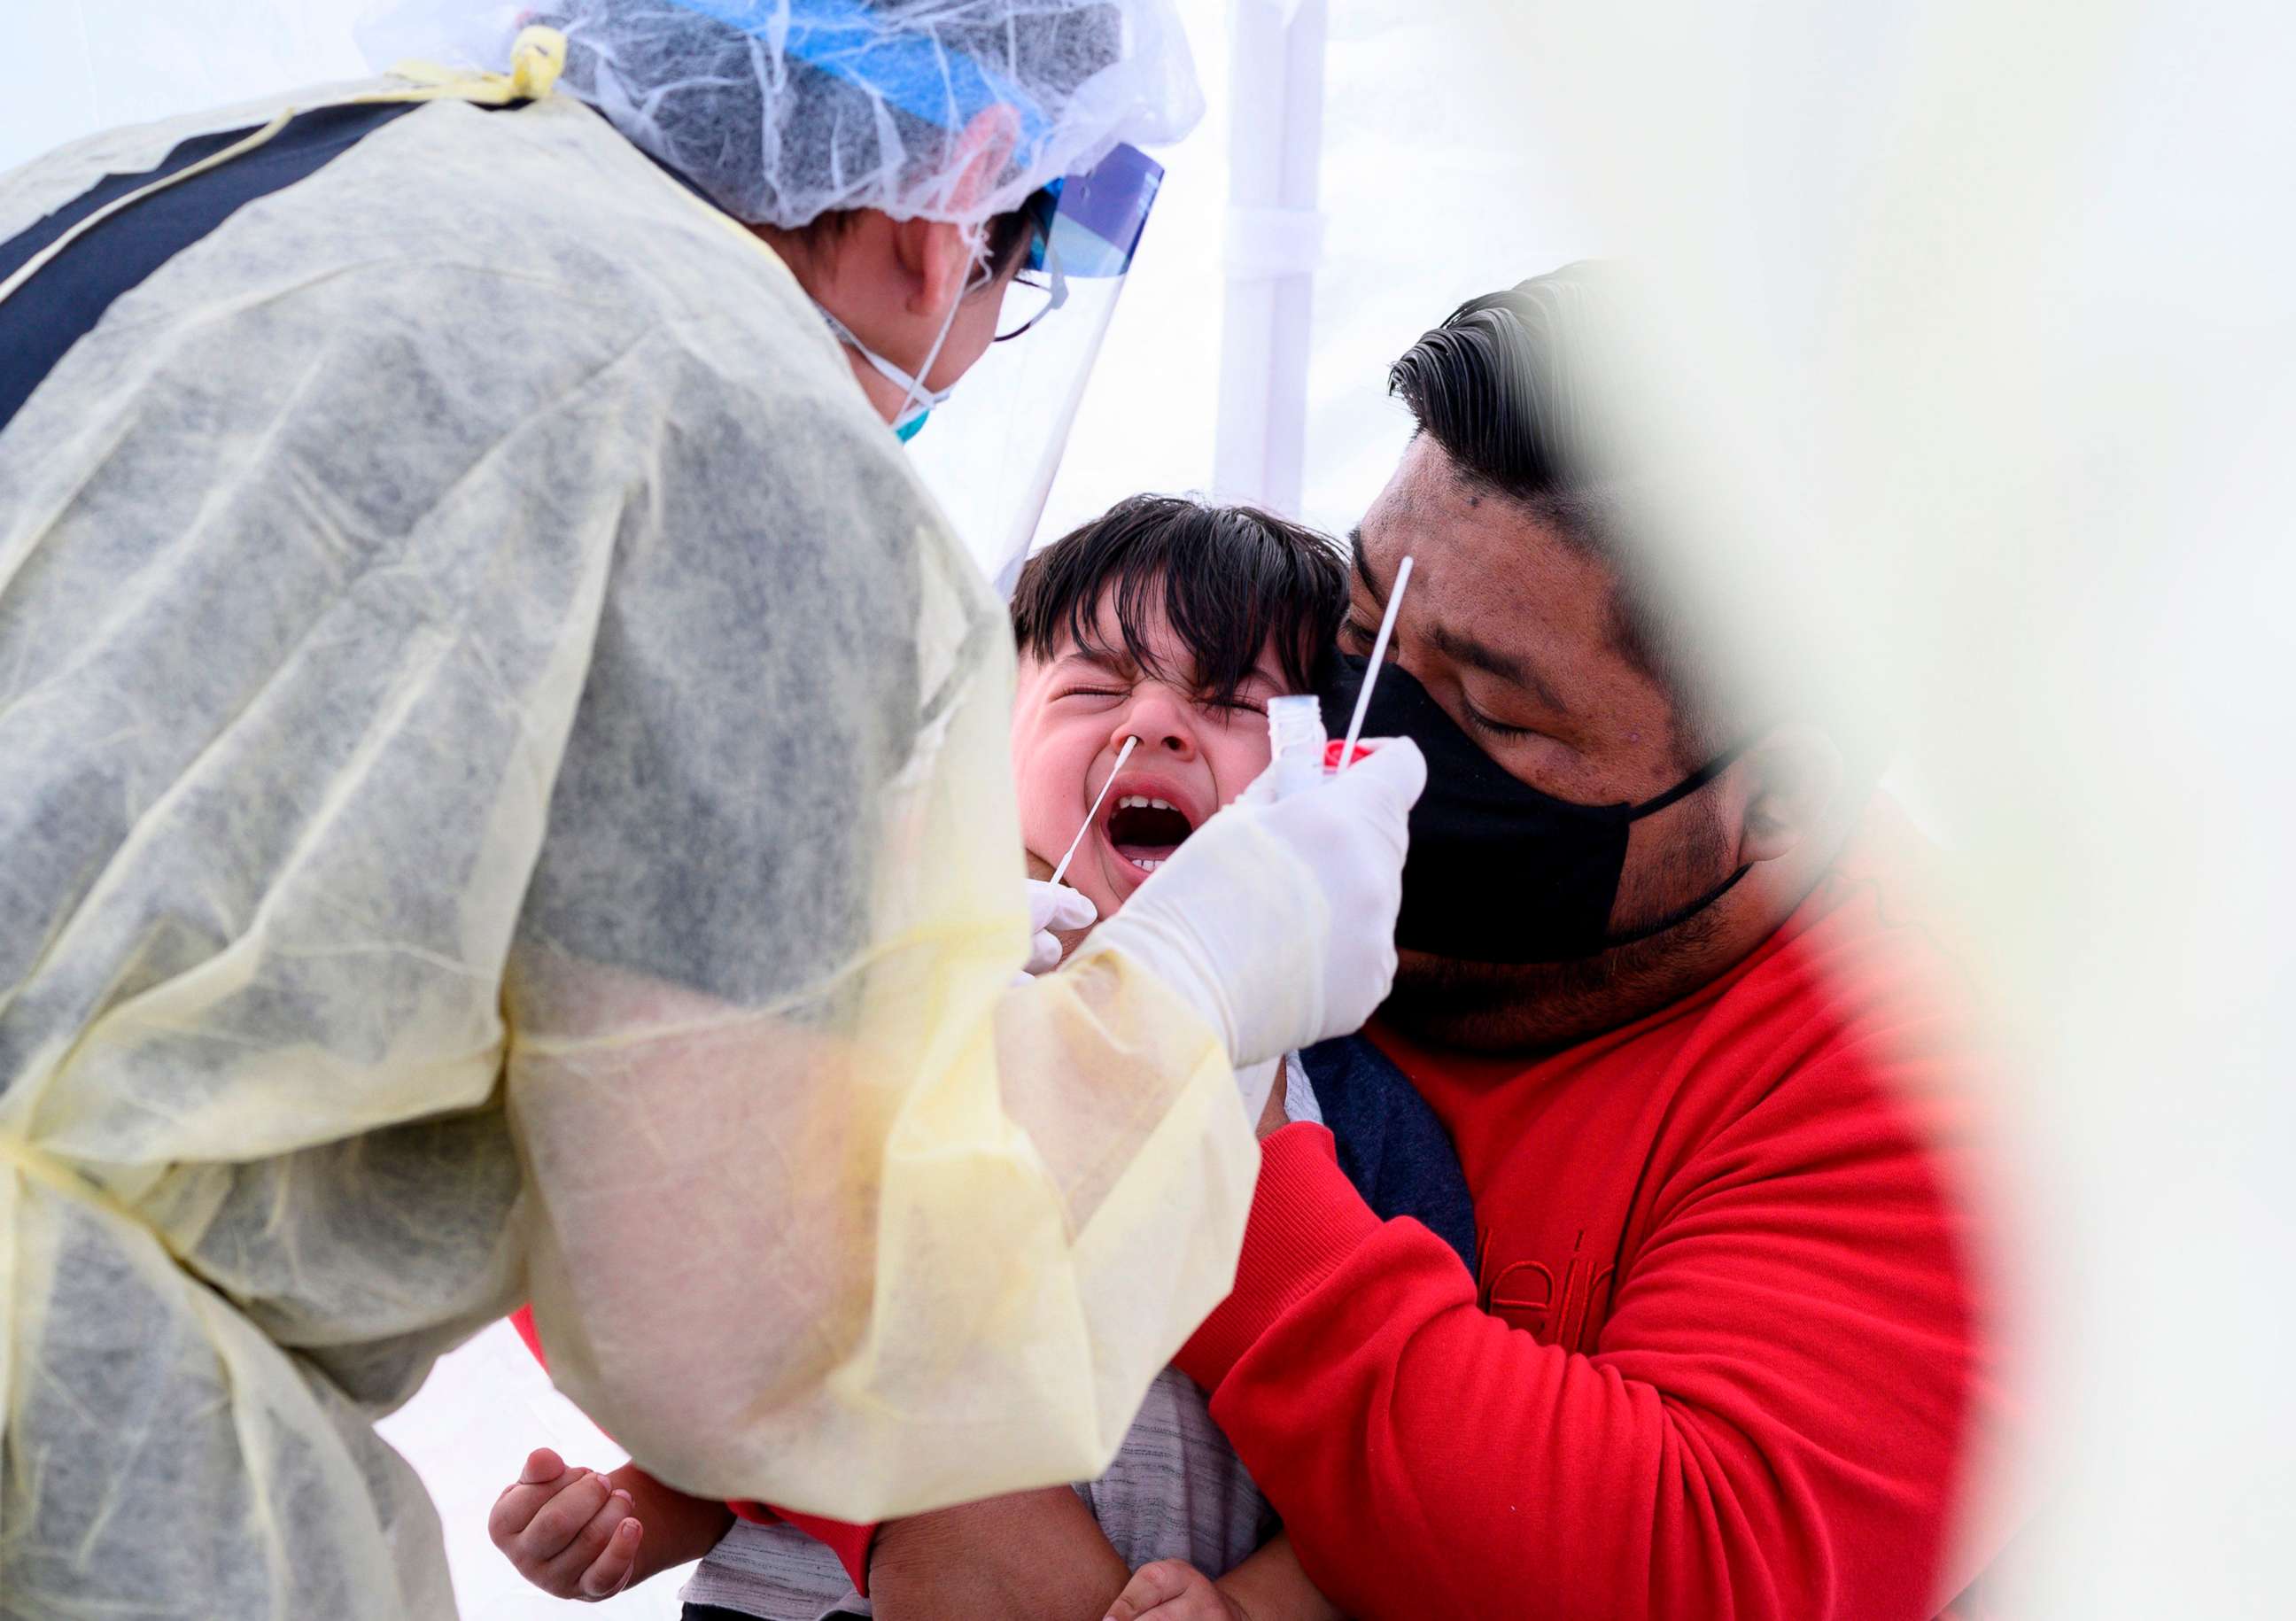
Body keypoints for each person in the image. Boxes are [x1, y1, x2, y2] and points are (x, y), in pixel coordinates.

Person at [0, 6, 1427, 1617]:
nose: (970, 349)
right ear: (954, 188)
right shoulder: (746, 438)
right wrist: (1193, 981)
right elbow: (768, 1336)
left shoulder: (192, 185)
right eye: (1014, 280)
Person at [892, 265, 2021, 1620]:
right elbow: (696, 1152)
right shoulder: (1216, 824)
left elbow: (1682, 1565)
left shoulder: (1946, 1087)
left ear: (1776, 799)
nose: (1372, 729)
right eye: (1362, 628)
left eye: (1489, 708)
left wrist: (1165, 1134)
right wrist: (887, 1501)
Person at [485, 495, 1476, 1620]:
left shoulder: (1348, 1103)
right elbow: (768, 1350)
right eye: (1095, 687)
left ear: (1318, 764)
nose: (1150, 725)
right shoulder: (873, 1009)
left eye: (1230, 701)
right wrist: (634, 1514)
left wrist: (1253, 1606)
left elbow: (1402, 1467)